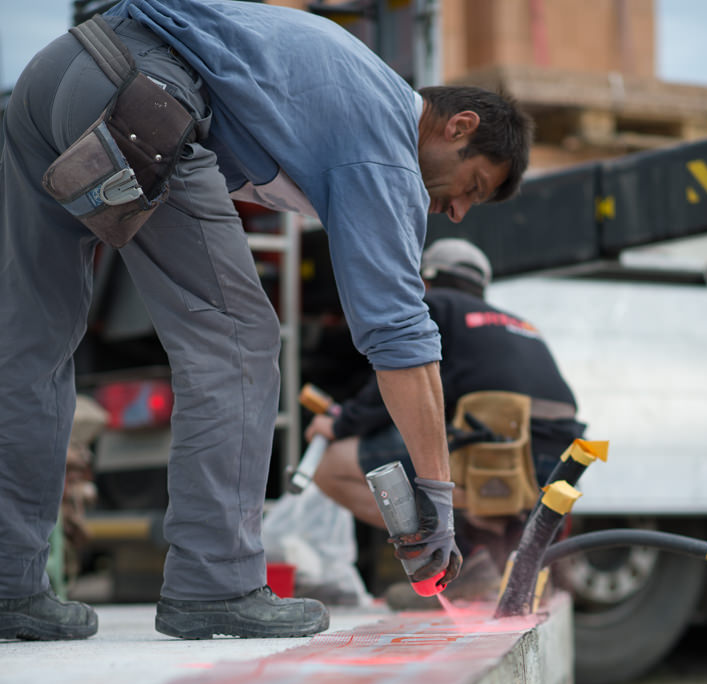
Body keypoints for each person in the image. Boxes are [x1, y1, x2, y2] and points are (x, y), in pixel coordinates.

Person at [0, 0, 533, 642]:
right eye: (472, 187)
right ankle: (215, 583)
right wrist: (438, 498)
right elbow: (398, 335)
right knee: (238, 342)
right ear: (458, 126)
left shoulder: (351, 84)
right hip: (140, 95)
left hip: (55, 73)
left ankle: (9, 587)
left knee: (31, 345)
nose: (456, 213)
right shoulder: (388, 140)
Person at [306, 237, 586, 604]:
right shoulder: (519, 323)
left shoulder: (435, 305)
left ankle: (461, 559)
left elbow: (404, 374)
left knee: (331, 468)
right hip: (553, 464)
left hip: (496, 450)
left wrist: (341, 424)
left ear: (426, 281)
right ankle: (495, 567)